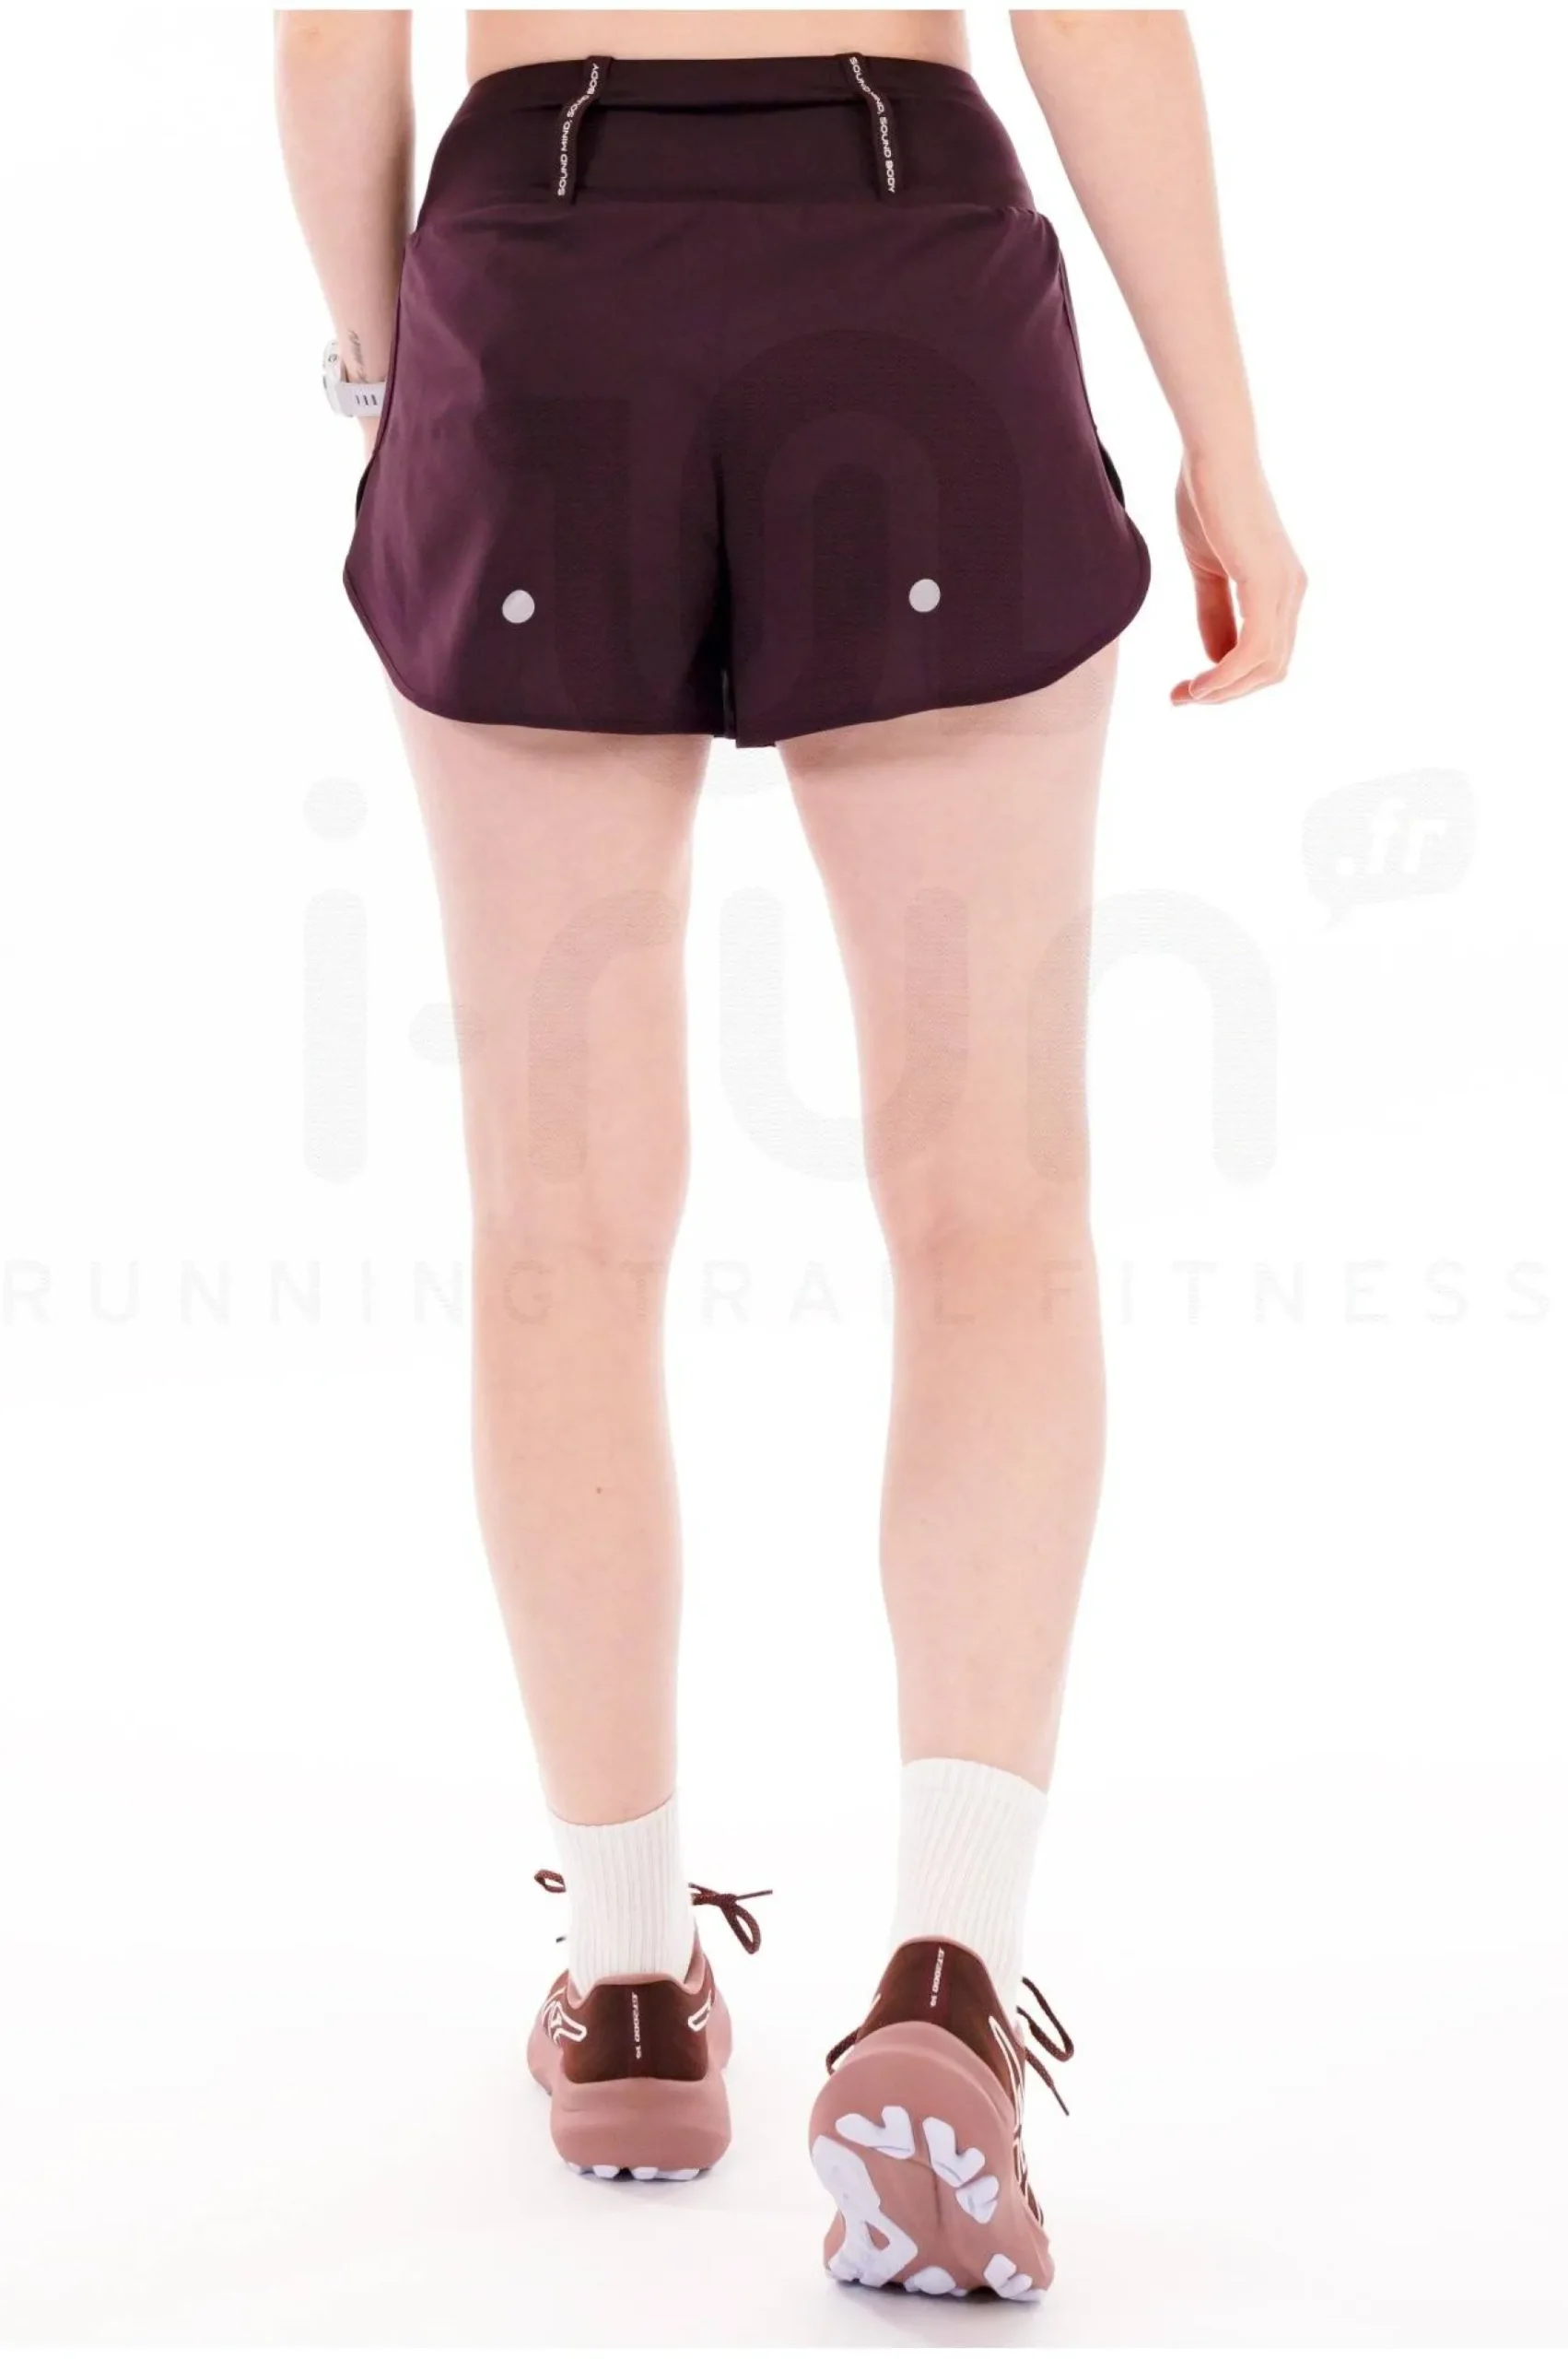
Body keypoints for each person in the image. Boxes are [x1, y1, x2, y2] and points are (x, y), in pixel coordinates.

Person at [276, 6, 1304, 2300]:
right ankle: (944, 1971)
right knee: (991, 1203)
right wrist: (1222, 445)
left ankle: (629, 1980)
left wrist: (387, 372)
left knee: (558, 1224)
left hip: (536, 276)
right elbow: (1094, 16)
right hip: (899, 256)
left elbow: (334, 30)